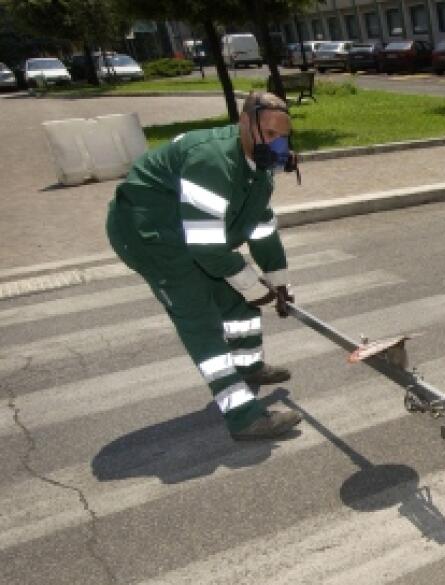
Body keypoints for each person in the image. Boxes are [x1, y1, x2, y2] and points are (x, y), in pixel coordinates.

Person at [106, 91, 303, 442]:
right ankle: (244, 417)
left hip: (193, 231)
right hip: (151, 233)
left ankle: (249, 367)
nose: (277, 144)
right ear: (245, 123)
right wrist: (254, 284)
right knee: (200, 321)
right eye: (269, 135)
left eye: (282, 136)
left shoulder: (259, 168)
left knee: (239, 302)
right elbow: (207, 247)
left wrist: (279, 282)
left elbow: (261, 227)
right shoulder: (212, 163)